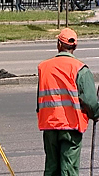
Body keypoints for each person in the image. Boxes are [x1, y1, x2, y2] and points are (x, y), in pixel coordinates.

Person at [36, 28, 99, 176]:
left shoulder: (44, 67)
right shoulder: (80, 69)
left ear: (58, 44)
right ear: (75, 47)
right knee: (68, 169)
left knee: (51, 167)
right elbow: (90, 100)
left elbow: (40, 98)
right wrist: (95, 114)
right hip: (71, 126)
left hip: (49, 124)